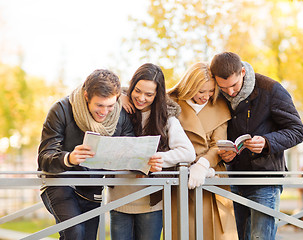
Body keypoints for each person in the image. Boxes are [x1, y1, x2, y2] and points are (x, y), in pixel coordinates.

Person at [210, 52, 303, 240]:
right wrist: (228, 154)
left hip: (265, 180)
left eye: (233, 85)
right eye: (223, 87)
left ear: (243, 72)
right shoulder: (217, 94)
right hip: (234, 178)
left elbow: (298, 131)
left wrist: (267, 141)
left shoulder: (271, 89)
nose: (230, 92)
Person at [37, 69, 135, 240]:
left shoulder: (121, 115)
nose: (105, 112)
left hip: (93, 189)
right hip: (60, 185)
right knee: (75, 233)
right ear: (86, 96)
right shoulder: (60, 110)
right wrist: (69, 158)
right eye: (99, 105)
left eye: (110, 105)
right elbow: (44, 157)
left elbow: (130, 150)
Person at [108, 63, 196, 240]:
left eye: (149, 94)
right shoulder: (116, 108)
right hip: (118, 199)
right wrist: (118, 97)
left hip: (151, 202)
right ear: (131, 87)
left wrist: (161, 158)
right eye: (137, 91)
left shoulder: (166, 118)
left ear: (157, 95)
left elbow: (188, 152)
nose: (141, 98)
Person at [168, 62, 238, 239]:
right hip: (180, 176)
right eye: (201, 91)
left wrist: (203, 164)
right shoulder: (170, 103)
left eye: (211, 91)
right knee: (185, 230)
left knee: (217, 232)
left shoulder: (220, 106)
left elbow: (218, 144)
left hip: (211, 174)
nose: (206, 96)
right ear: (189, 86)